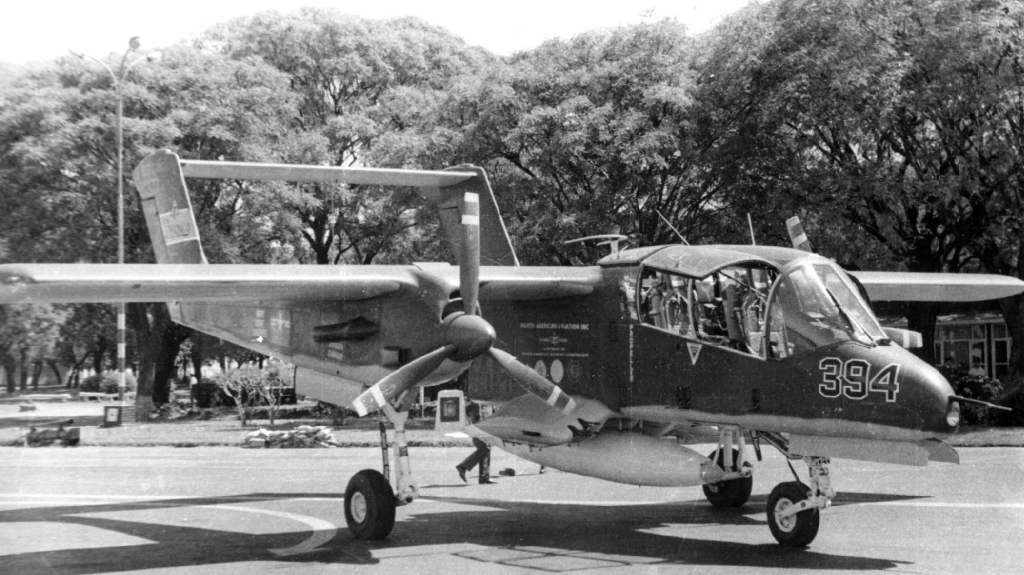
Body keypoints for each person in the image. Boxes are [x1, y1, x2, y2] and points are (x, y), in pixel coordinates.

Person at [456, 402, 493, 484]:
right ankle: (463, 466)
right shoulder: (482, 394)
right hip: (481, 422)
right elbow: (479, 406)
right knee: (485, 447)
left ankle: (484, 477)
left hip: (485, 421)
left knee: (487, 447)